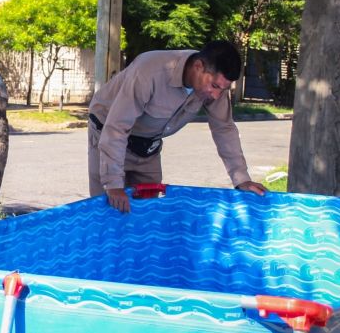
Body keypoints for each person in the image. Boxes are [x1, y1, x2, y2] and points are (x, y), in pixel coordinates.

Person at [87, 40, 267, 213]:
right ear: (198, 66)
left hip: (148, 145)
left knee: (149, 212)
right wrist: (114, 185)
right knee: (109, 210)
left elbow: (224, 128)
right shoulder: (150, 71)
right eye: (214, 86)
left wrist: (241, 179)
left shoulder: (214, 90)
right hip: (108, 131)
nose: (216, 95)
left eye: (223, 89)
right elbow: (117, 127)